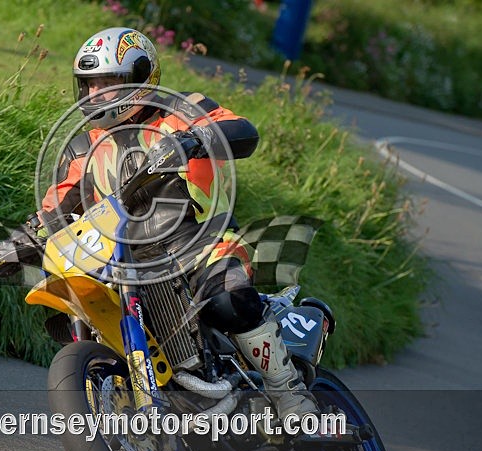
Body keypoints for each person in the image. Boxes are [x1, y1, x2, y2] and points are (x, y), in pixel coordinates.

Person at [37, 27, 316, 420]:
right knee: (79, 311)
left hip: (200, 245)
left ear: (140, 79)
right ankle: (106, 430)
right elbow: (53, 207)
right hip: (126, 262)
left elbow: (242, 131)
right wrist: (19, 240)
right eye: (90, 84)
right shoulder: (85, 148)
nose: (97, 94)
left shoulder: (182, 111)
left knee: (227, 300)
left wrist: (194, 141)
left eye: (109, 83)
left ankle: (289, 392)